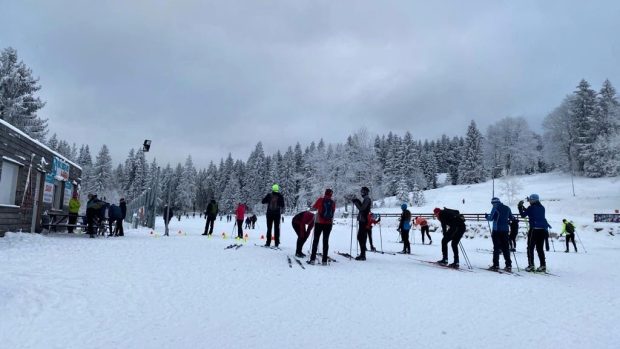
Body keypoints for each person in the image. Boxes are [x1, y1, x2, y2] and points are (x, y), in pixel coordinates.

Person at [518, 194, 551, 272]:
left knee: (530, 248)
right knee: (540, 248)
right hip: (542, 230)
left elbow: (523, 215)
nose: (529, 201)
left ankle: (531, 265)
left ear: (533, 200)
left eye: (530, 200)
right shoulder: (542, 207)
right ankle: (543, 265)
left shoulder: (531, 208)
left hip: (534, 230)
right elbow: (533, 213)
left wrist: (520, 207)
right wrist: (524, 208)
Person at [485, 197, 513, 272]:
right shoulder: (507, 208)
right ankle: (508, 265)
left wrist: (486, 217)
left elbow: (491, 218)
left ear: (493, 203)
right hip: (505, 230)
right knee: (506, 248)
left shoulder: (495, 208)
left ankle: (496, 265)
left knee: (496, 248)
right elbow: (511, 217)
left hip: (496, 230)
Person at [309, 188, 336, 264]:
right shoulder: (333, 202)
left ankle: (312, 259)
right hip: (328, 224)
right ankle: (324, 261)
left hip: (319, 223)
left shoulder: (320, 200)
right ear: (331, 194)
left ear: (325, 193)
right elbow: (332, 212)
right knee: (325, 241)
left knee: (316, 240)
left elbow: (313, 208)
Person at [351, 186, 372, 261]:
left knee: (361, 237)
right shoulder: (366, 199)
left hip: (364, 220)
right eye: (361, 191)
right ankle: (362, 254)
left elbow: (362, 208)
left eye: (362, 192)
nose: (361, 193)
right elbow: (363, 207)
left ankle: (363, 255)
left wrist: (356, 202)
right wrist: (357, 201)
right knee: (361, 237)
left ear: (365, 192)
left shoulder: (367, 199)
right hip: (362, 220)